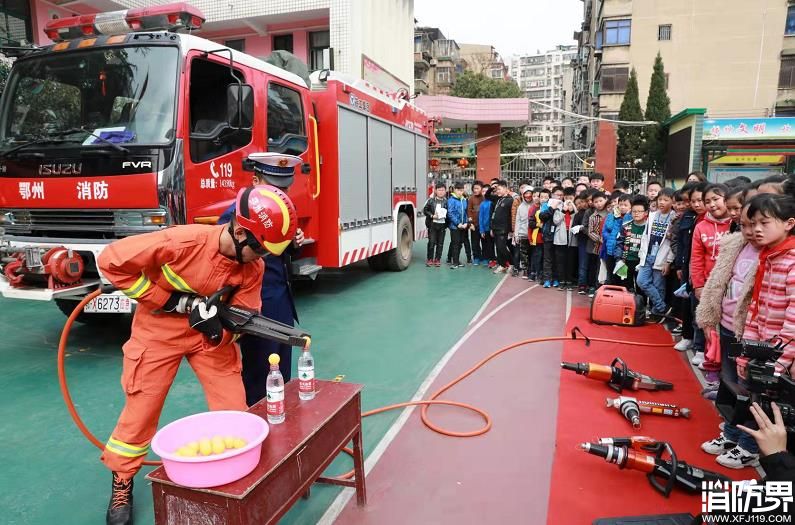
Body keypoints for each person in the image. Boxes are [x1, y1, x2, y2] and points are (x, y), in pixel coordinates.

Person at [98, 185, 297, 525]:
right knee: (142, 408)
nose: (261, 258)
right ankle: (122, 480)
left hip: (207, 339)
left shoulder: (253, 268)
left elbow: (246, 310)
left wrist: (222, 330)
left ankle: (238, 477)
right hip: (158, 332)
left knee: (234, 410)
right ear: (238, 230)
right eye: (259, 249)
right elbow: (111, 261)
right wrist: (167, 300)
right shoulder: (181, 243)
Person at [218, 153, 305, 405]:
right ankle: (259, 432)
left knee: (282, 377)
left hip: (281, 303)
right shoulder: (233, 216)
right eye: (276, 188)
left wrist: (294, 242)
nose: (283, 195)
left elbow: (281, 252)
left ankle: (282, 427)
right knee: (259, 377)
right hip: (254, 309)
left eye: (286, 188)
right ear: (255, 181)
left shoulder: (284, 209)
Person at [697, 202, 761, 464]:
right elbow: (719, 281)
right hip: (726, 324)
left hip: (750, 332)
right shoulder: (736, 245)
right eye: (744, 224)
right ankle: (731, 433)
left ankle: (749, 447)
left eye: (758, 223)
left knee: (749, 392)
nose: (750, 230)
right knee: (729, 384)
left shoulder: (774, 256)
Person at [690, 183, 733, 371]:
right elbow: (696, 258)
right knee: (709, 325)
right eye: (708, 201)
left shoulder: (737, 224)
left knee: (727, 328)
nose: (712, 205)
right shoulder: (701, 227)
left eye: (716, 199)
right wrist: (698, 285)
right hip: (708, 284)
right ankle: (709, 358)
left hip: (730, 286)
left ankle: (723, 365)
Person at [636, 187, 676, 317]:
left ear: (672, 201)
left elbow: (672, 242)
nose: (662, 202)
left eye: (666, 200)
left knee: (659, 285)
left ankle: (657, 312)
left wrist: (669, 261)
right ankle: (662, 307)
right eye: (660, 199)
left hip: (662, 256)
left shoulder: (674, 217)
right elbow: (646, 236)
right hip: (648, 255)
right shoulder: (652, 215)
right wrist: (642, 254)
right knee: (641, 281)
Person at [614, 196, 649, 291]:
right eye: (634, 211)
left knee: (641, 286)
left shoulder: (648, 228)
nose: (636, 213)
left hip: (641, 262)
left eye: (639, 211)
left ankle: (642, 304)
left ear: (646, 213)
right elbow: (619, 243)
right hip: (626, 261)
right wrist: (618, 259)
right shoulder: (626, 226)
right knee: (625, 287)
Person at [601, 190, 628, 285]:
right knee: (611, 274)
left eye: (625, 205)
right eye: (620, 204)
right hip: (610, 249)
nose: (622, 207)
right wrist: (614, 215)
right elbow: (606, 229)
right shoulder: (611, 215)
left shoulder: (629, 217)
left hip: (622, 251)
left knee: (621, 277)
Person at [553, 187, 576, 289]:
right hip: (560, 237)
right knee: (560, 260)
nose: (568, 200)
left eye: (570, 197)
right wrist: (563, 210)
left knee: (570, 261)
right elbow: (556, 221)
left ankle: (569, 281)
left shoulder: (576, 208)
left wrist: (571, 211)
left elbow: (577, 220)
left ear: (574, 197)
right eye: (566, 197)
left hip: (572, 238)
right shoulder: (559, 207)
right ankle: (561, 281)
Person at [586, 191, 609, 296]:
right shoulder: (592, 217)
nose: (599, 203)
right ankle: (596, 287)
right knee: (598, 268)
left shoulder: (611, 213)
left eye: (601, 201)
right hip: (598, 247)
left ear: (606, 200)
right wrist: (600, 239)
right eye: (596, 202)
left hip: (610, 246)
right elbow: (590, 232)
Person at [490, 180, 514, 273]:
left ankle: (512, 263)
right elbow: (494, 214)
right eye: (497, 190)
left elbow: (511, 216)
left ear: (505, 189)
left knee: (502, 247)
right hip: (495, 227)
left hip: (503, 228)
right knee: (498, 248)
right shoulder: (499, 199)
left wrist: (510, 229)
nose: (497, 191)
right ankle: (502, 265)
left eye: (499, 189)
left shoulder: (510, 200)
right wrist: (492, 227)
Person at [423, 183, 448, 267]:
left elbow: (449, 213)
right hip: (432, 225)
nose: (441, 192)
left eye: (443, 190)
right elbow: (425, 210)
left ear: (445, 191)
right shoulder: (430, 200)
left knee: (440, 243)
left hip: (442, 226)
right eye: (439, 190)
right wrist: (431, 215)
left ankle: (437, 259)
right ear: (436, 191)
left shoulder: (447, 202)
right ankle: (430, 259)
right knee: (431, 242)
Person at [447, 182, 468, 269]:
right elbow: (450, 213)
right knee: (455, 244)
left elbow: (466, 213)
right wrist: (458, 223)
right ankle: (454, 262)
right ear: (455, 190)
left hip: (463, 226)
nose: (460, 192)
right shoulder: (451, 200)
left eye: (462, 190)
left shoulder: (464, 200)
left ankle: (457, 261)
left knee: (460, 244)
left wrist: (466, 222)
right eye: (459, 190)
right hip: (454, 227)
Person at [515, 188, 533, 279]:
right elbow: (517, 221)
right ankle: (525, 270)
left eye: (530, 194)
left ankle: (532, 270)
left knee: (533, 253)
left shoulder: (535, 205)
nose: (528, 197)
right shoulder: (520, 206)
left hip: (534, 234)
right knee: (523, 254)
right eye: (526, 194)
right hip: (523, 234)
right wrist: (516, 234)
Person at [467, 181, 485, 265]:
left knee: (485, 242)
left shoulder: (485, 198)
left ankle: (484, 258)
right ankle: (476, 257)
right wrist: (471, 224)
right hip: (474, 225)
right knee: (475, 242)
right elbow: (469, 211)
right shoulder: (471, 199)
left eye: (477, 188)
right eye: (474, 188)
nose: (476, 190)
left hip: (483, 226)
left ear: (481, 189)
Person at [479, 190, 496, 268]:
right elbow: (481, 218)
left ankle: (500, 260)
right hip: (487, 229)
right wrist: (482, 230)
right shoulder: (483, 204)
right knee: (489, 245)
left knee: (499, 245)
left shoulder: (496, 202)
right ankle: (492, 259)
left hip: (496, 228)